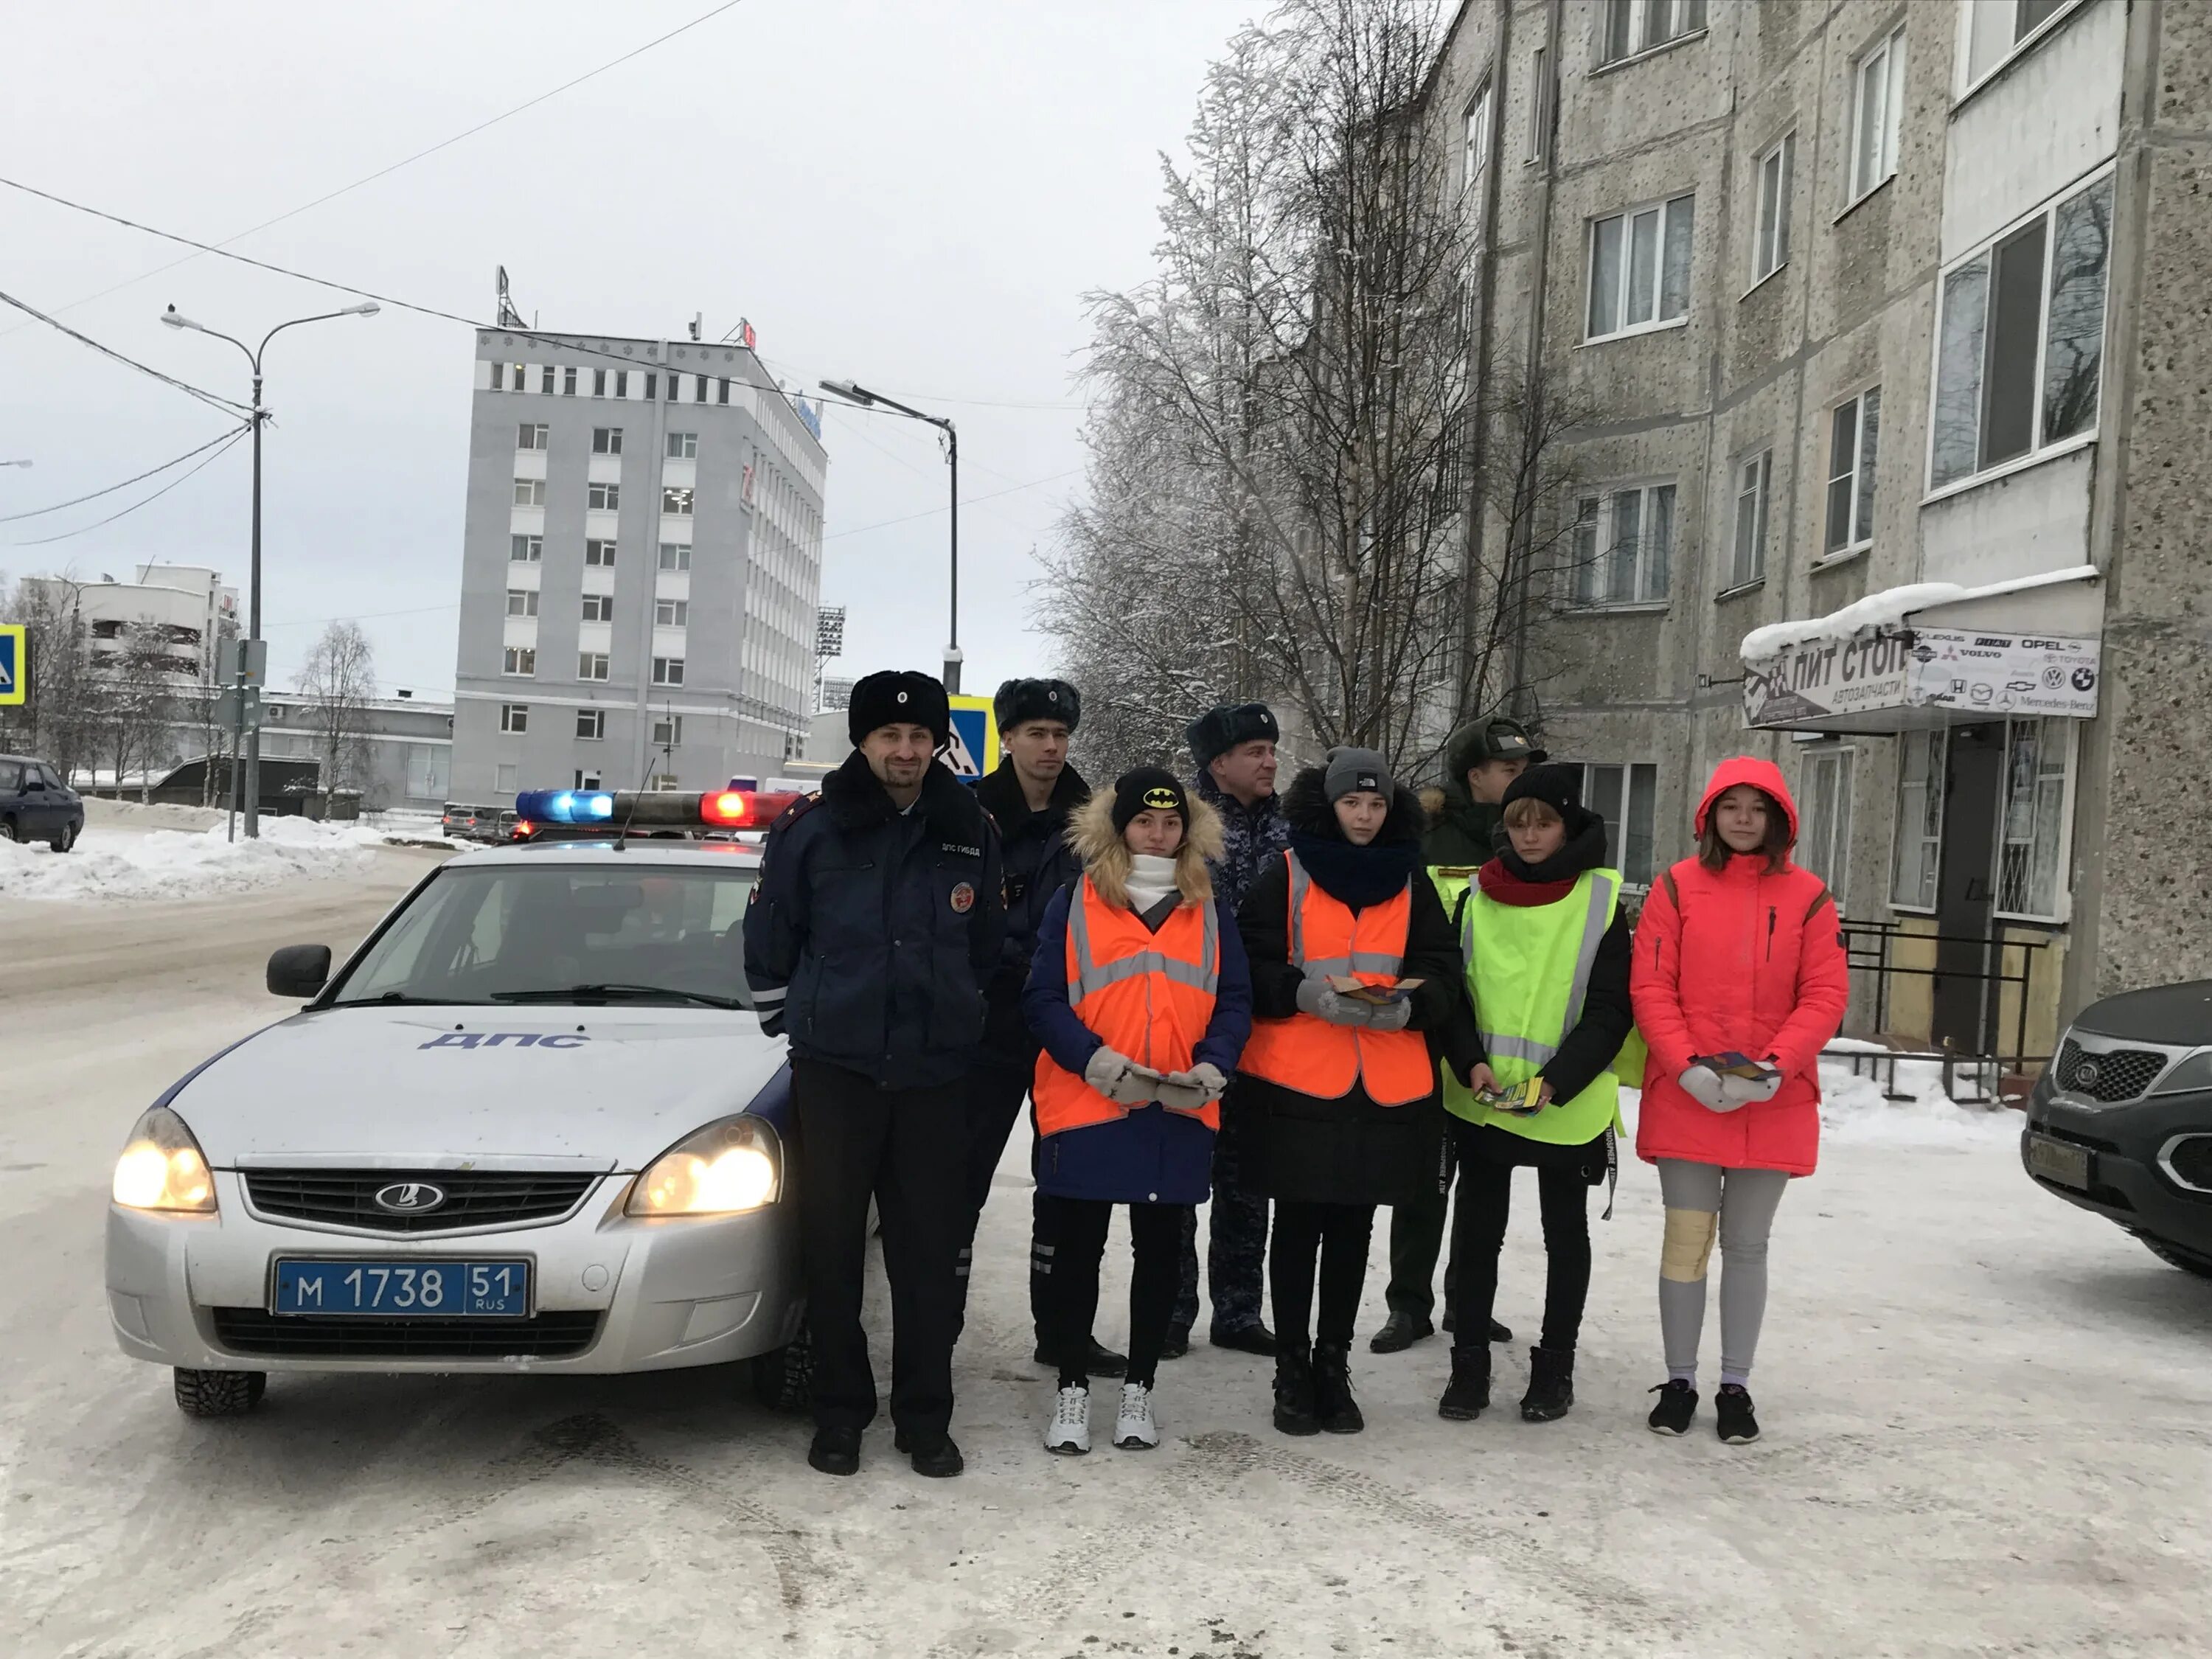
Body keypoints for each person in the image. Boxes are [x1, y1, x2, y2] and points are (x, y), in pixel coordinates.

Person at [743, 669, 1005, 1479]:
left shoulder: (970, 827)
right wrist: (806, 1022)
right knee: (831, 1252)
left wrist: (962, 1017)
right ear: (862, 741)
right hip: (839, 1076)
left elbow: (988, 945)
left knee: (927, 1257)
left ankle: (926, 1420)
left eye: (921, 737)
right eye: (890, 737)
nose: (906, 750)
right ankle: (840, 1413)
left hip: (934, 1078)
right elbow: (770, 935)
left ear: (939, 744)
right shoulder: (813, 829)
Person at [1021, 768, 1253, 1453]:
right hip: (1089, 1101)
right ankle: (1070, 1389)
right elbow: (1042, 999)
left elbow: (1235, 999)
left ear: (1188, 830)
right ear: (1119, 827)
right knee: (1078, 1252)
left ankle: (1140, 1391)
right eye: (1145, 822)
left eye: (1172, 823)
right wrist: (1092, 1059)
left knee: (1161, 1252)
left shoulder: (1209, 909)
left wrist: (1216, 1063)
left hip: (1176, 1104)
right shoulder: (1075, 900)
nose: (1159, 834)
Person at [1236, 748, 1459, 1435]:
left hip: (1382, 1085)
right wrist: (1301, 992)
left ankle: (1334, 1364)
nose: (1364, 816)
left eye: (1376, 804)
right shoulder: (1287, 872)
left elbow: (1442, 968)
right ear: (1327, 806)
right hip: (1299, 1080)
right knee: (1299, 1226)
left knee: (1355, 1230)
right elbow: (1248, 961)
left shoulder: (1411, 880)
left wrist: (1413, 1008)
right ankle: (1292, 1369)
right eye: (1351, 803)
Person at [1630, 757, 1848, 1445]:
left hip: (1772, 1100)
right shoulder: (1676, 887)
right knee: (1687, 1244)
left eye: (1758, 808)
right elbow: (1652, 988)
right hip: (1689, 1096)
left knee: (1748, 1247)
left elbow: (1824, 994)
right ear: (1711, 817)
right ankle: (1679, 1381)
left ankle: (1735, 1386)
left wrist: (1779, 1066)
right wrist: (1686, 1067)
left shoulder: (1810, 896)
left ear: (1780, 817)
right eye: (1732, 807)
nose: (1745, 819)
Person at [1435, 765, 1634, 1425]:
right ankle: (1468, 1369)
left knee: (1564, 1236)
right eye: (1518, 822)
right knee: (1476, 1234)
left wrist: (1556, 1080)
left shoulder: (1602, 903)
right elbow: (1455, 995)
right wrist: (1468, 1062)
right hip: (1485, 1096)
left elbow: (1609, 1011)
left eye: (1543, 822)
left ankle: (1555, 1370)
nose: (1528, 835)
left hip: (1563, 1104)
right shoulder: (1477, 896)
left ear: (1569, 824)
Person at [966, 678, 1126, 1377]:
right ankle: (938, 1331)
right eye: (1036, 733)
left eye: (1060, 735)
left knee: (1071, 1185)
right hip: (987, 1024)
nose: (1051, 747)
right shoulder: (968, 815)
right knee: (960, 1180)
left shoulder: (1099, 822)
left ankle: (1064, 1332)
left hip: (1070, 1027)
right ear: (1008, 737)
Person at [1373, 712, 1544, 1355]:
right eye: (1510, 770)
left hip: (1497, 1037)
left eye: (1526, 769)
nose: (1521, 779)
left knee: (1485, 1183)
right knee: (1423, 1178)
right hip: (1427, 1033)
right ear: (1475, 776)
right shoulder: (1427, 841)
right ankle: (1407, 1305)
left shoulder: (1526, 848)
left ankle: (1471, 1301)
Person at [1178, 700, 1293, 1357]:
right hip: (1192, 1022)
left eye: (1272, 750)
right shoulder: (1182, 827)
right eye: (1255, 751)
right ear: (1219, 762)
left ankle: (1239, 1312)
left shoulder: (1292, 830)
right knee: (1183, 1173)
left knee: (1249, 1180)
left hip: (1270, 1028)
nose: (1269, 761)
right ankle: (1172, 1308)